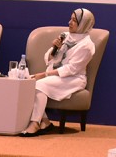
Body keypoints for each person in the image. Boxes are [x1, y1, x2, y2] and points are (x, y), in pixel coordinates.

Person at [21, 8, 97, 136]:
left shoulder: (87, 46)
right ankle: (45, 122)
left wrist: (43, 75)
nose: (69, 22)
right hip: (55, 75)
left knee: (39, 85)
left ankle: (35, 123)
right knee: (27, 83)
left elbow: (71, 69)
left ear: (83, 23)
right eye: (70, 19)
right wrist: (55, 48)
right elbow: (48, 58)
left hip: (73, 79)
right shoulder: (65, 36)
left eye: (74, 20)